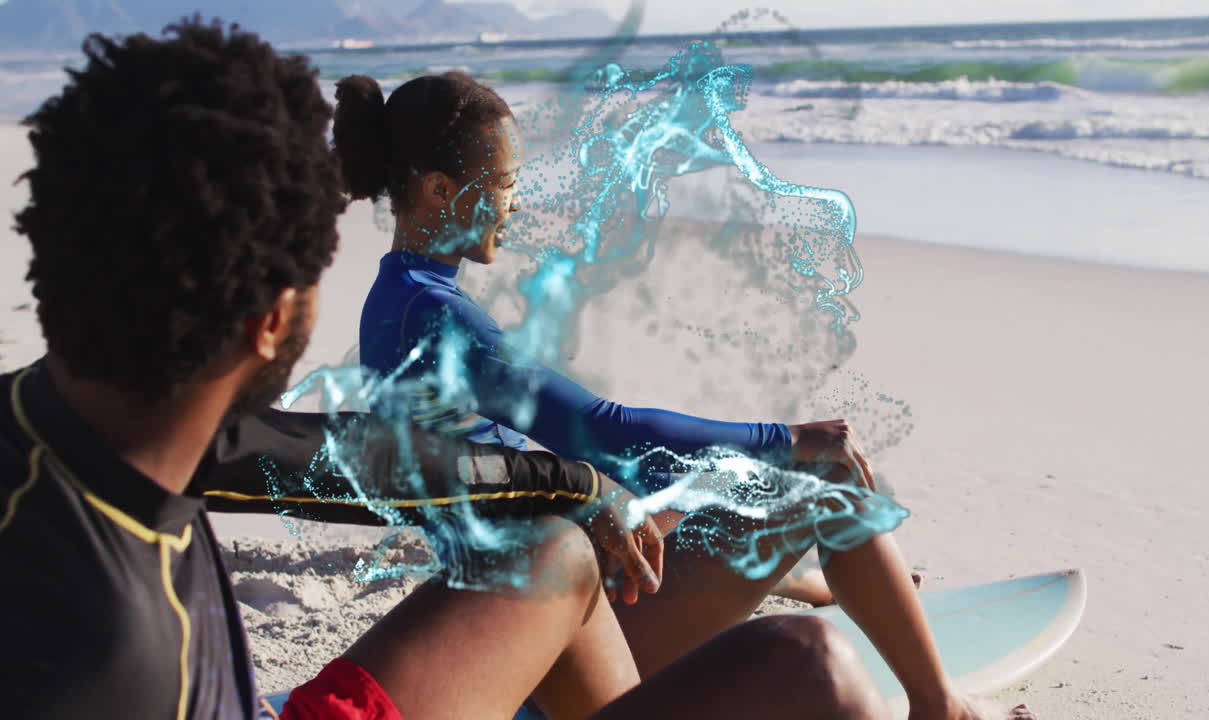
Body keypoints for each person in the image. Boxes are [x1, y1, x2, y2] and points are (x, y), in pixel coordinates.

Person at [0, 18, 902, 720]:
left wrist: (573, 484)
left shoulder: (109, 428)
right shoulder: (106, 650)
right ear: (272, 320)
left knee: (557, 544)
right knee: (805, 662)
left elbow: (364, 457)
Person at [336, 71, 1034, 720]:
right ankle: (941, 708)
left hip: (523, 607)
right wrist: (785, 438)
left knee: (715, 489)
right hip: (548, 652)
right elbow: (600, 429)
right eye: (501, 184)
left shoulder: (395, 300)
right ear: (434, 190)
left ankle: (805, 581)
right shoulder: (437, 316)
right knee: (822, 487)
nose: (515, 203)